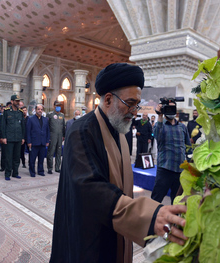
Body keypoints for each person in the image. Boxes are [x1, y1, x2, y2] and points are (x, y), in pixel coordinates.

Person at [50, 63, 187, 263]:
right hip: (89, 237)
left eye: (137, 105)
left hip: (118, 230)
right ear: (108, 99)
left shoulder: (120, 130)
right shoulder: (81, 130)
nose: (134, 111)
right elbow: (89, 187)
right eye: (130, 103)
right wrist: (150, 216)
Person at [151, 101, 191, 204]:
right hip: (165, 169)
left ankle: (174, 220)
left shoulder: (182, 127)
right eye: (168, 108)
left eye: (173, 108)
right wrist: (159, 115)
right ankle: (151, 218)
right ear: (164, 110)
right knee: (156, 199)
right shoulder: (160, 125)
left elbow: (188, 147)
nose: (171, 110)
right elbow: (157, 136)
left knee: (177, 201)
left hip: (180, 170)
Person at [0, 95, 25, 180]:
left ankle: (15, 173)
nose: (18, 102)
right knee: (8, 157)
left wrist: (23, 137)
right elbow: (3, 125)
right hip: (9, 138)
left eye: (19, 101)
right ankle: (7, 173)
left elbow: (23, 126)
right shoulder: (6, 111)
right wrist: (3, 137)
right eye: (16, 101)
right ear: (12, 101)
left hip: (18, 138)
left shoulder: (20, 112)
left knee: (16, 157)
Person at [26, 104, 50, 177]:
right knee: (32, 159)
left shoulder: (45, 119)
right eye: (38, 109)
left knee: (41, 159)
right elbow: (28, 131)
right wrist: (29, 142)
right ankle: (32, 172)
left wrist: (47, 141)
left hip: (42, 142)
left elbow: (47, 131)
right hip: (34, 142)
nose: (40, 111)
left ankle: (40, 171)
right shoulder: (31, 119)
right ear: (35, 110)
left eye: (41, 109)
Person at [46, 100, 65, 174]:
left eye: (59, 106)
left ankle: (57, 168)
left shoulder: (62, 115)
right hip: (52, 136)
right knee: (51, 152)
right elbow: (47, 126)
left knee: (59, 152)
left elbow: (63, 126)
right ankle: (50, 168)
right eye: (57, 106)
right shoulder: (50, 114)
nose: (58, 107)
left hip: (60, 136)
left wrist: (64, 135)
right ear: (54, 106)